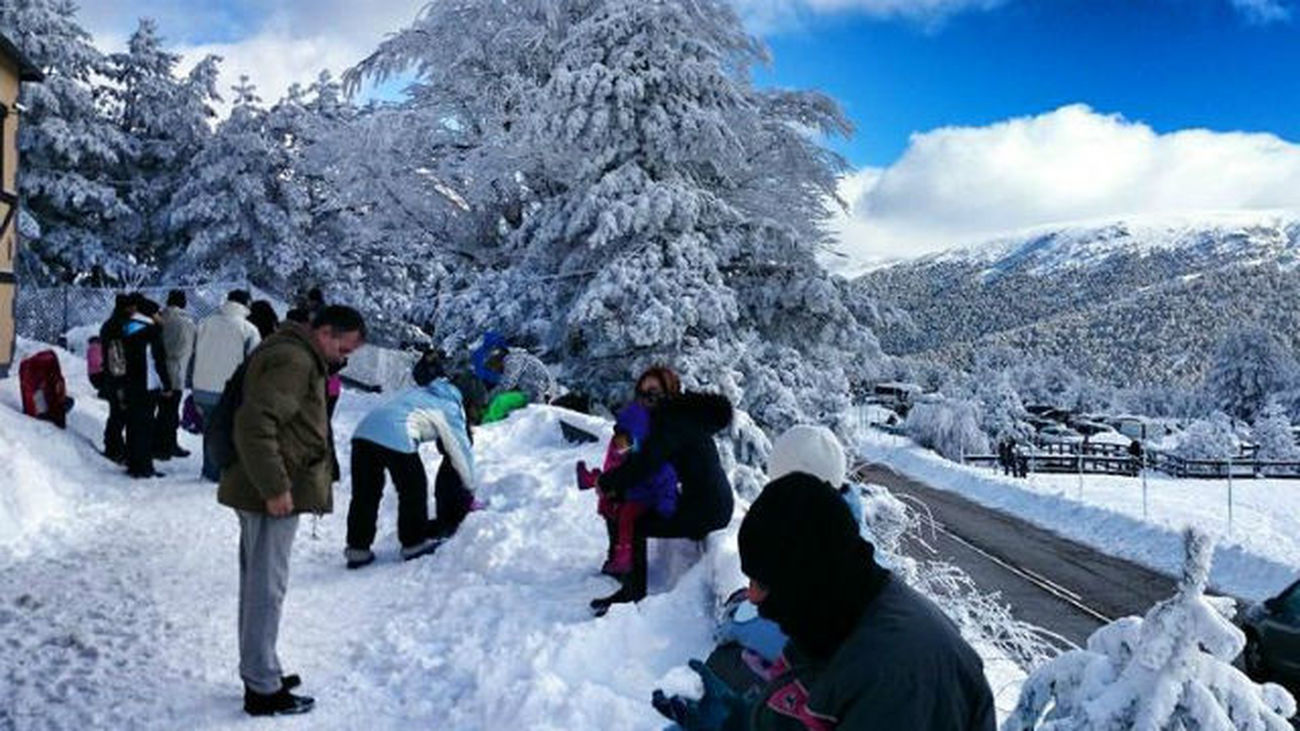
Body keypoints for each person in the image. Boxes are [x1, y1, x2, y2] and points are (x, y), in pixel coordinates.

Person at [217, 305, 366, 717]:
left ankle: (260, 671)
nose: (344, 358)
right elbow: (255, 423)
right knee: (267, 589)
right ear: (324, 332)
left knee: (260, 587)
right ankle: (262, 689)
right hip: (267, 493)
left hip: (263, 489)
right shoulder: (294, 359)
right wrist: (276, 487)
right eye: (343, 347)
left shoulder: (293, 352)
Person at [591, 366, 734, 613]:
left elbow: (646, 463)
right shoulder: (681, 416)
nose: (647, 399)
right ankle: (622, 570)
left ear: (670, 392)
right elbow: (653, 465)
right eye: (643, 394)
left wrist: (608, 482)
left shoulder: (673, 422)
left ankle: (632, 592)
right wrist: (620, 486)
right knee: (633, 506)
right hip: (706, 502)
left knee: (638, 523)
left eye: (654, 393)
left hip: (707, 511)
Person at [343, 350, 476, 569]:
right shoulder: (451, 406)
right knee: (413, 489)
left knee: (365, 493)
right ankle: (413, 544)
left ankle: (357, 549)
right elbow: (460, 450)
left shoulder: (425, 393)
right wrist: (470, 487)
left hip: (363, 433)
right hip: (396, 433)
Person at [577, 400, 679, 575]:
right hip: (625, 490)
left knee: (625, 517)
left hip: (639, 495)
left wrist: (666, 506)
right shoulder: (622, 447)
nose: (621, 445)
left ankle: (623, 559)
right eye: (619, 441)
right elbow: (615, 471)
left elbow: (665, 482)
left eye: (626, 442)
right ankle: (615, 555)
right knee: (610, 506)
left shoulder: (650, 453)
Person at [194, 290, 262, 480]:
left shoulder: (205, 323)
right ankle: (222, 472)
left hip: (202, 387)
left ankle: (209, 470)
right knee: (228, 431)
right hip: (229, 391)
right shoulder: (248, 329)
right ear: (246, 305)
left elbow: (195, 353)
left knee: (209, 429)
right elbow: (255, 362)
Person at [120, 296, 173, 478]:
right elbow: (159, 361)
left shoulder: (127, 327)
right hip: (148, 384)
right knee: (145, 426)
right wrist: (167, 384)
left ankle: (133, 463)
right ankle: (144, 466)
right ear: (151, 314)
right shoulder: (151, 332)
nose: (161, 316)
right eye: (158, 313)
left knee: (133, 424)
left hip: (129, 382)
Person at [155, 290, 196, 460]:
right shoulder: (187, 323)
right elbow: (190, 347)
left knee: (161, 410)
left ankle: (159, 444)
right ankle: (168, 445)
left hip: (157, 370)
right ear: (184, 303)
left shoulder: (159, 318)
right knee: (171, 411)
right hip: (177, 371)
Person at [98, 294, 133, 464]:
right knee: (119, 415)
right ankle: (115, 448)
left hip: (111, 377)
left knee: (116, 414)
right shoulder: (120, 327)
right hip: (119, 377)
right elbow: (117, 357)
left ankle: (113, 446)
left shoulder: (109, 325)